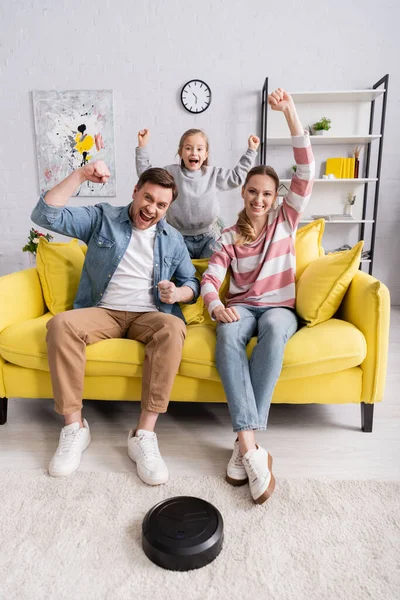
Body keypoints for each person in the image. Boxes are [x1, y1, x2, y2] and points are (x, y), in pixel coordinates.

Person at [31, 163, 200, 484]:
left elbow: (191, 283)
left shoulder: (173, 239)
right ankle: (74, 428)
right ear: (135, 192)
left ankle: (144, 435)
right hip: (103, 312)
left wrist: (177, 292)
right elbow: (45, 216)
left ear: (167, 208)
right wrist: (80, 175)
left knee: (173, 327)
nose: (151, 209)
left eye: (161, 205)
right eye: (147, 198)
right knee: (60, 325)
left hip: (149, 315)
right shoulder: (103, 218)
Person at [201, 88, 315, 504]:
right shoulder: (228, 235)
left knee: (272, 326)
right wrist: (215, 305)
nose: (259, 200)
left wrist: (290, 113)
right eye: (253, 192)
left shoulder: (287, 219)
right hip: (242, 306)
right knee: (228, 335)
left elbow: (307, 166)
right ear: (243, 193)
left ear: (276, 198)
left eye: (267, 194)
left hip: (279, 308)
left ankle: (242, 444)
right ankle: (251, 448)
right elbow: (211, 278)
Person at [135, 127, 260, 259]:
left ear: (206, 154)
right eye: (188, 148)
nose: (194, 153)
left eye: (199, 149)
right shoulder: (171, 173)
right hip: (178, 237)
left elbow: (236, 177)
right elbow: (147, 176)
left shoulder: (212, 174)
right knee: (182, 273)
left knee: (214, 268)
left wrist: (251, 151)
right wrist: (142, 147)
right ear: (180, 152)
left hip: (208, 237)